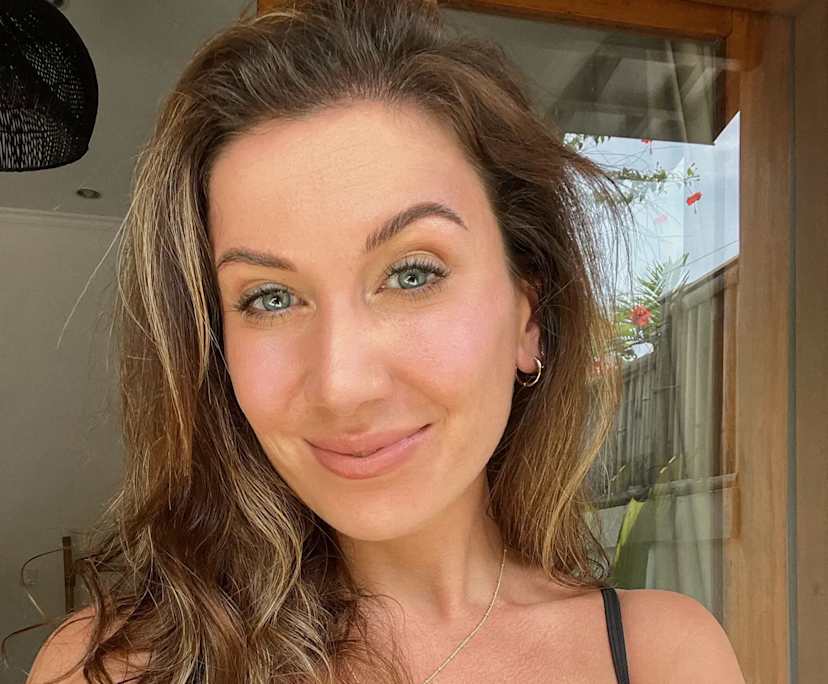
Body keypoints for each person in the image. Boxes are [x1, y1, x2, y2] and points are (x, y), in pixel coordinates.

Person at [25, 1, 745, 682]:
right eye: (270, 297)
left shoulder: (663, 656)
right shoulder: (113, 667)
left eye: (411, 274)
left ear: (527, 317)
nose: (342, 384)